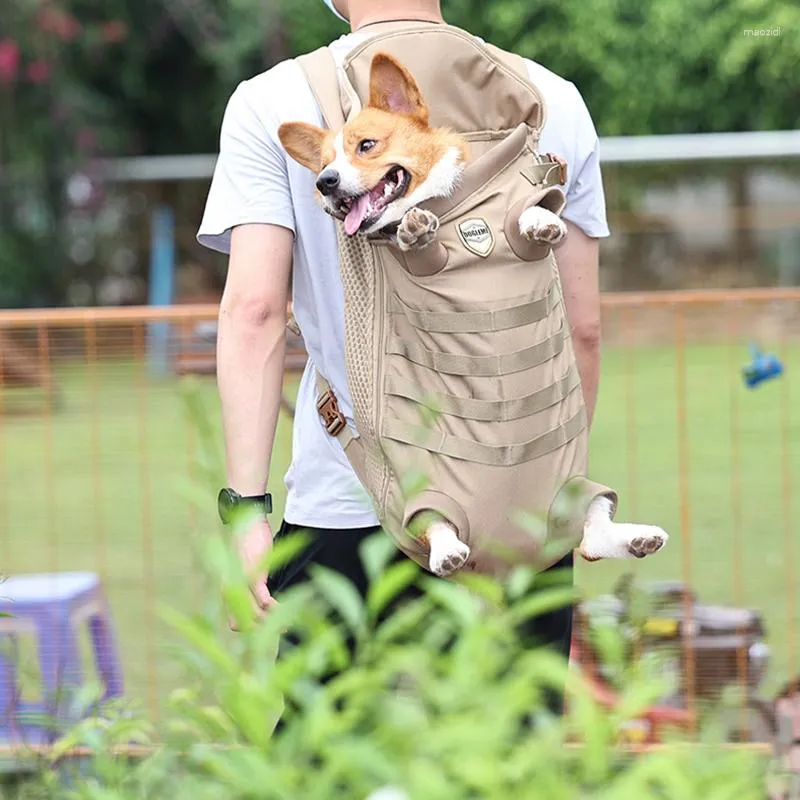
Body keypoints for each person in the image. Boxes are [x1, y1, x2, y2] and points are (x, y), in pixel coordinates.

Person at [197, 0, 609, 704]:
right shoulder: (550, 97)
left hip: (348, 499)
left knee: (329, 766)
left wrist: (246, 513)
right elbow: (582, 332)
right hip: (512, 511)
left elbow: (255, 313)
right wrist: (553, 493)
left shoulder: (271, 100)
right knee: (505, 767)